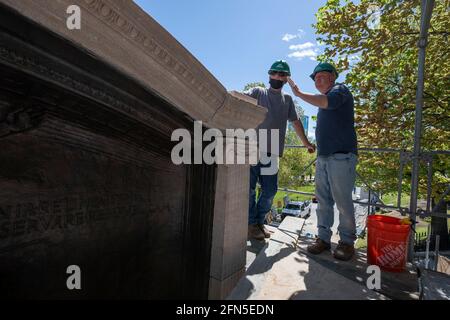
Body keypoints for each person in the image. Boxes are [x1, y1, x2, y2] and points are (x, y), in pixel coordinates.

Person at [288, 62, 358, 261]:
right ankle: (323, 239)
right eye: (315, 77)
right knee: (323, 200)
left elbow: (326, 102)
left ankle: (346, 242)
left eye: (321, 76)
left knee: (343, 201)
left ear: (332, 77)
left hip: (342, 156)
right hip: (324, 157)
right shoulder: (324, 99)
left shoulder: (340, 91)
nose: (317, 80)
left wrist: (299, 94)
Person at [245, 60, 315, 241]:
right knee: (249, 190)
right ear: (269, 74)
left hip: (271, 152)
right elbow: (241, 99)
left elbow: (296, 123)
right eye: (274, 73)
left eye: (282, 74)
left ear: (286, 79)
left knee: (269, 191)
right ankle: (251, 225)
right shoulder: (258, 92)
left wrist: (307, 143)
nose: (277, 76)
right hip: (252, 149)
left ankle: (259, 222)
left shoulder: (288, 100)